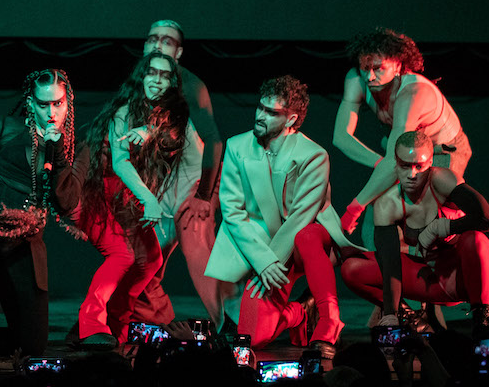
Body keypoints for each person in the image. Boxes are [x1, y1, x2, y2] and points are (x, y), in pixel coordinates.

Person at [204, 76, 360, 348]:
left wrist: (270, 260)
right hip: (265, 249)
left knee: (307, 235)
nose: (260, 116)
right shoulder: (237, 146)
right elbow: (232, 211)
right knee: (252, 339)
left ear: (291, 119)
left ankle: (329, 317)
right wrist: (263, 261)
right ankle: (300, 312)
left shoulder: (314, 155)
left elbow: (301, 216)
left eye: (271, 112)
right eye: (260, 107)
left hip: (305, 246)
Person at [0, 69, 84, 361]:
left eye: (57, 104)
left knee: (32, 346)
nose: (51, 113)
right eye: (43, 104)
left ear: (67, 103)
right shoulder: (5, 126)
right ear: (31, 103)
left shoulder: (70, 146)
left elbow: (66, 202)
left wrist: (57, 151)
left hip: (22, 242)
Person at [339, 131, 489, 338]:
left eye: (419, 166)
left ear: (431, 163)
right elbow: (390, 264)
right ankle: (410, 319)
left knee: (476, 240)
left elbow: (488, 220)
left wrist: (442, 227)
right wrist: (390, 314)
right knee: (352, 268)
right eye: (405, 166)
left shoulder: (442, 180)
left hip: (476, 276)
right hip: (436, 281)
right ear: (395, 163)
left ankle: (484, 319)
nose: (412, 174)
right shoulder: (388, 204)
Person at [75, 51, 189, 347]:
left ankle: (115, 322)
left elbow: (171, 137)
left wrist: (150, 131)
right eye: (152, 72)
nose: (157, 80)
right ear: (141, 76)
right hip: (98, 190)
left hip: (126, 193)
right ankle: (90, 323)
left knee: (151, 259)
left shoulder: (172, 114)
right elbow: (120, 162)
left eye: (164, 75)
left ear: (172, 83)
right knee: (123, 256)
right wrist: (149, 200)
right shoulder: (123, 112)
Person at [128, 19, 232, 329]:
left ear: (179, 52)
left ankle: (231, 327)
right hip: (161, 184)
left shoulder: (190, 85)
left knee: (197, 248)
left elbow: (214, 141)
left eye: (167, 41)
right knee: (143, 260)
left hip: (195, 178)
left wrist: (204, 195)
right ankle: (157, 321)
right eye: (153, 38)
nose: (158, 44)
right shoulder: (136, 83)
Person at [334, 28, 472, 235]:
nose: (370, 76)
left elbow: (394, 160)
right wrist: (379, 163)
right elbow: (341, 137)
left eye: (378, 68)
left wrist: (355, 207)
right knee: (379, 208)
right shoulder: (356, 80)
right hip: (405, 149)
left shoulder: (412, 93)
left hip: (442, 149)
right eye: (365, 68)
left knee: (426, 213)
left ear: (397, 65)